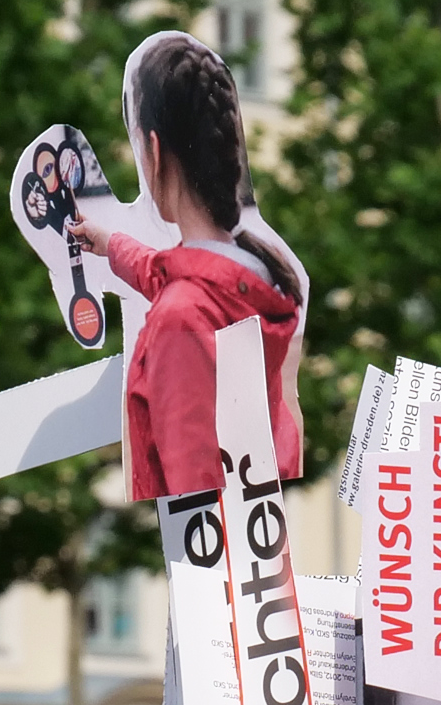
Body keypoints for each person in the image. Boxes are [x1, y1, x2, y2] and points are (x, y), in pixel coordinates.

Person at [65, 30, 307, 504]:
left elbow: (193, 499)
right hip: (259, 545)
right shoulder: (260, 272)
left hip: (212, 565)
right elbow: (172, 274)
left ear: (152, 152)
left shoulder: (181, 317)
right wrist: (111, 244)